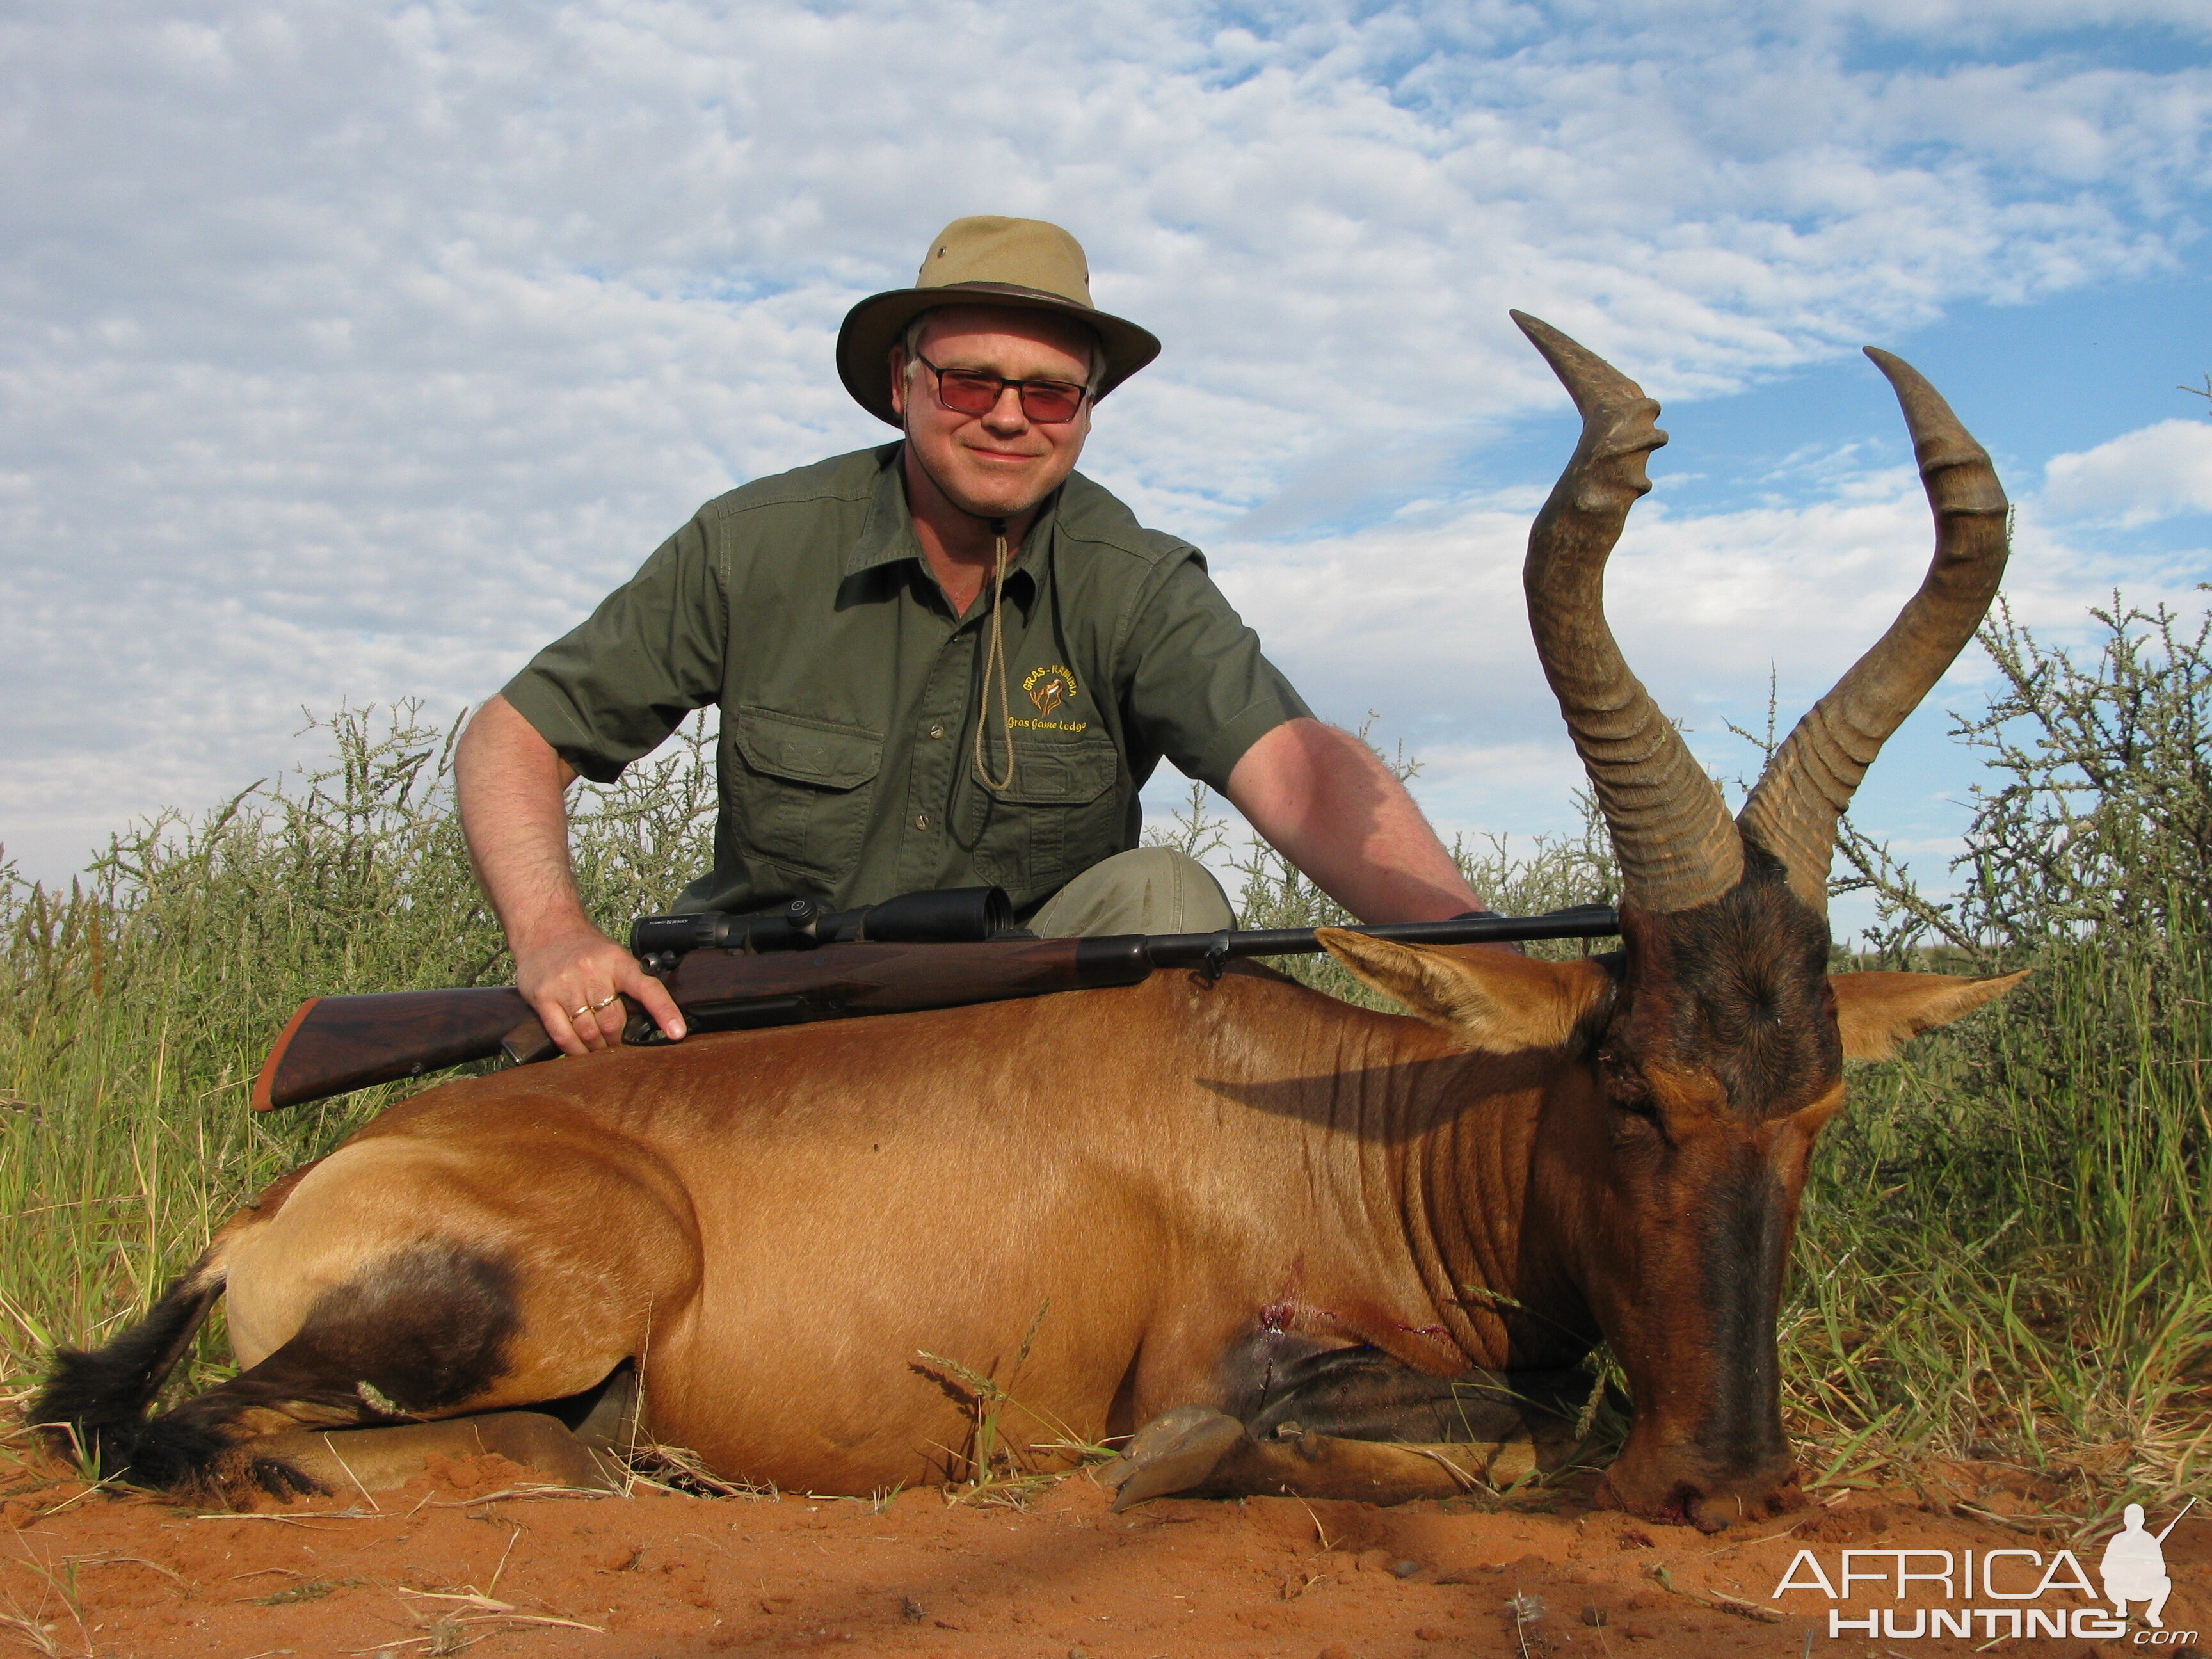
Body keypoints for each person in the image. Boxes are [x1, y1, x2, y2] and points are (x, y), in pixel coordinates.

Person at [456, 216, 1488, 1056]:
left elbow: (1301, 774)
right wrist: (554, 936)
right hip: (757, 1014)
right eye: (969, 382)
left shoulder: (1135, 581)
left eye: (1048, 392)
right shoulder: (752, 546)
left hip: (1020, 1033)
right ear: (904, 383)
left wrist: (1488, 966)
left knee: (1166, 894)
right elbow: (515, 735)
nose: (1007, 417)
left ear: (1086, 413)